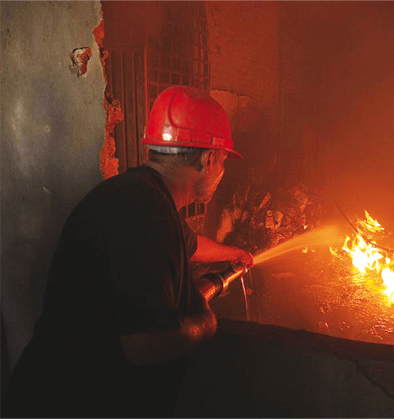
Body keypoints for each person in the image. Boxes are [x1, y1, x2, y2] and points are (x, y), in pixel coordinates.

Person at [6, 86, 254, 417]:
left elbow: (188, 244)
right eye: (223, 161)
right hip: (69, 405)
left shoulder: (141, 196)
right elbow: (145, 344)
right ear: (209, 160)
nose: (223, 172)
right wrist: (205, 325)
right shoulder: (146, 212)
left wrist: (232, 253)